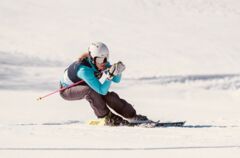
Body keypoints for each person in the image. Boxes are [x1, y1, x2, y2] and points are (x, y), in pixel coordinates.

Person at [60, 42, 148, 126]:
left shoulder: (102, 62)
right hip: (66, 90)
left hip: (83, 84)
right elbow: (101, 90)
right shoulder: (84, 71)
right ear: (92, 58)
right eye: (100, 59)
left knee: (108, 96)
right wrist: (109, 77)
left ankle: (131, 115)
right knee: (90, 91)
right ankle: (106, 117)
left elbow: (116, 80)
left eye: (106, 58)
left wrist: (117, 71)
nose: (104, 62)